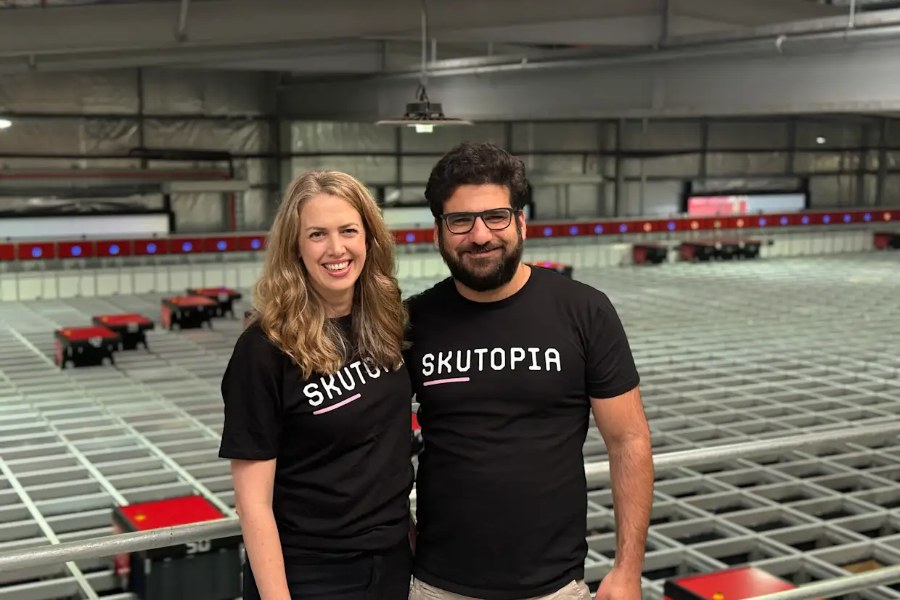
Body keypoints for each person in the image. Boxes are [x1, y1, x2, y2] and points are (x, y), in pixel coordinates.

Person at [404, 143, 653, 600]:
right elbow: (370, 443)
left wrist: (627, 568)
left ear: (521, 221)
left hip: (555, 588)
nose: (480, 235)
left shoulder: (584, 311)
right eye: (460, 221)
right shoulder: (413, 322)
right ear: (437, 231)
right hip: (436, 586)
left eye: (495, 216)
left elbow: (629, 440)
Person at [218, 170, 414, 600]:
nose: (336, 248)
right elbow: (253, 504)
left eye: (348, 230)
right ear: (296, 248)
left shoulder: (385, 323)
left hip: (393, 565)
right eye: (317, 235)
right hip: (310, 576)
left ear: (369, 239)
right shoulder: (264, 350)